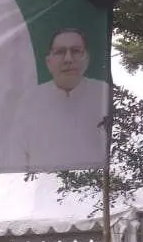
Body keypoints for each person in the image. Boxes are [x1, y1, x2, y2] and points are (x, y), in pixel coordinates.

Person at [25, 28, 109, 171]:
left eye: (76, 51)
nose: (68, 59)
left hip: (93, 179)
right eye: (60, 52)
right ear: (48, 61)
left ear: (87, 58)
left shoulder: (104, 93)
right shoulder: (28, 101)